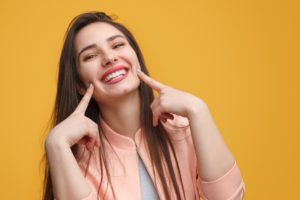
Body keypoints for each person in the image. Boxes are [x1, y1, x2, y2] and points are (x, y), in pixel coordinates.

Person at [43, 11, 245, 200]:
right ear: (79, 83)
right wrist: (56, 144)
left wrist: (199, 110)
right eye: (90, 56)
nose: (109, 58)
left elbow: (229, 197)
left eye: (117, 45)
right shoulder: (76, 156)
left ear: (136, 58)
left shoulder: (184, 129)